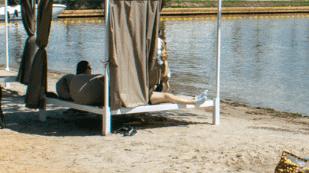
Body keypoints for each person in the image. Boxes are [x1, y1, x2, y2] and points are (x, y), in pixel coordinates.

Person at [55, 60, 207, 107]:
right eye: (90, 68)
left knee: (167, 96)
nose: (91, 69)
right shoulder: (90, 82)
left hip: (126, 95)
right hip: (131, 96)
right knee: (167, 96)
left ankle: (194, 98)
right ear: (86, 70)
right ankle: (194, 101)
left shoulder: (78, 88)